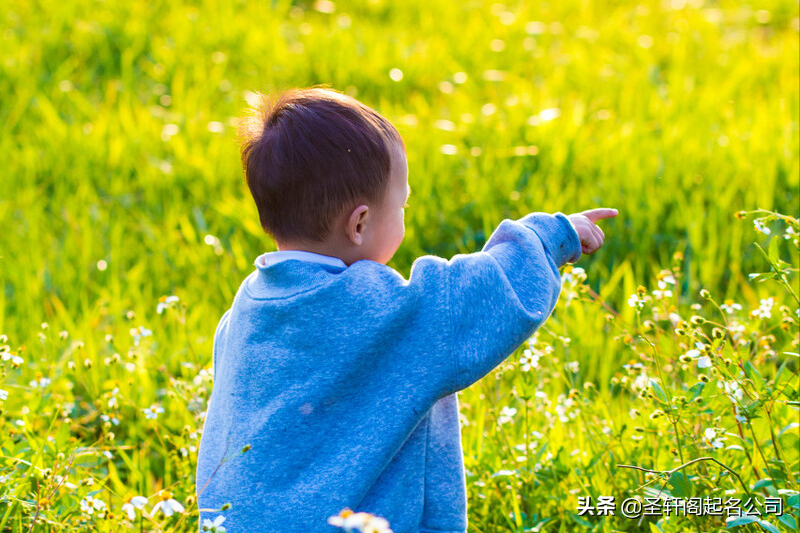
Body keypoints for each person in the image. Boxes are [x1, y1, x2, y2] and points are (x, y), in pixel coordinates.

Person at [195, 86, 617, 533]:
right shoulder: (378, 310)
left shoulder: (248, 307)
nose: (404, 215)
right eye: (402, 205)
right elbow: (474, 296)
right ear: (359, 224)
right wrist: (552, 237)